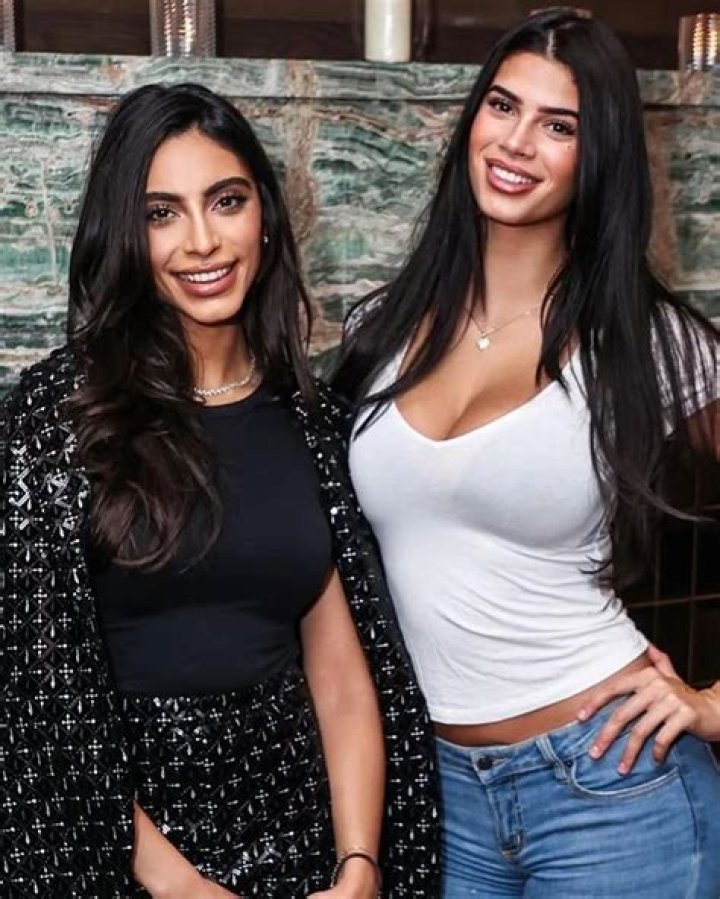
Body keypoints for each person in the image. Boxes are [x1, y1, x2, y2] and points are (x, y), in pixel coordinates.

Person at [0, 83, 441, 898]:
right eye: (161, 213)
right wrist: (179, 884)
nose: (202, 241)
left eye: (226, 201)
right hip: (119, 848)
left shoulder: (312, 422)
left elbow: (342, 677)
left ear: (264, 215)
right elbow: (35, 693)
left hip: (299, 837)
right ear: (125, 235)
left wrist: (358, 864)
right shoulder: (55, 414)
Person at [333, 8, 720, 897]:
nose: (516, 142)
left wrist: (711, 701)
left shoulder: (650, 341)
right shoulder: (381, 326)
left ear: (600, 154)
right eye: (503, 106)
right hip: (444, 794)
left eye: (560, 125)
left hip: (616, 791)